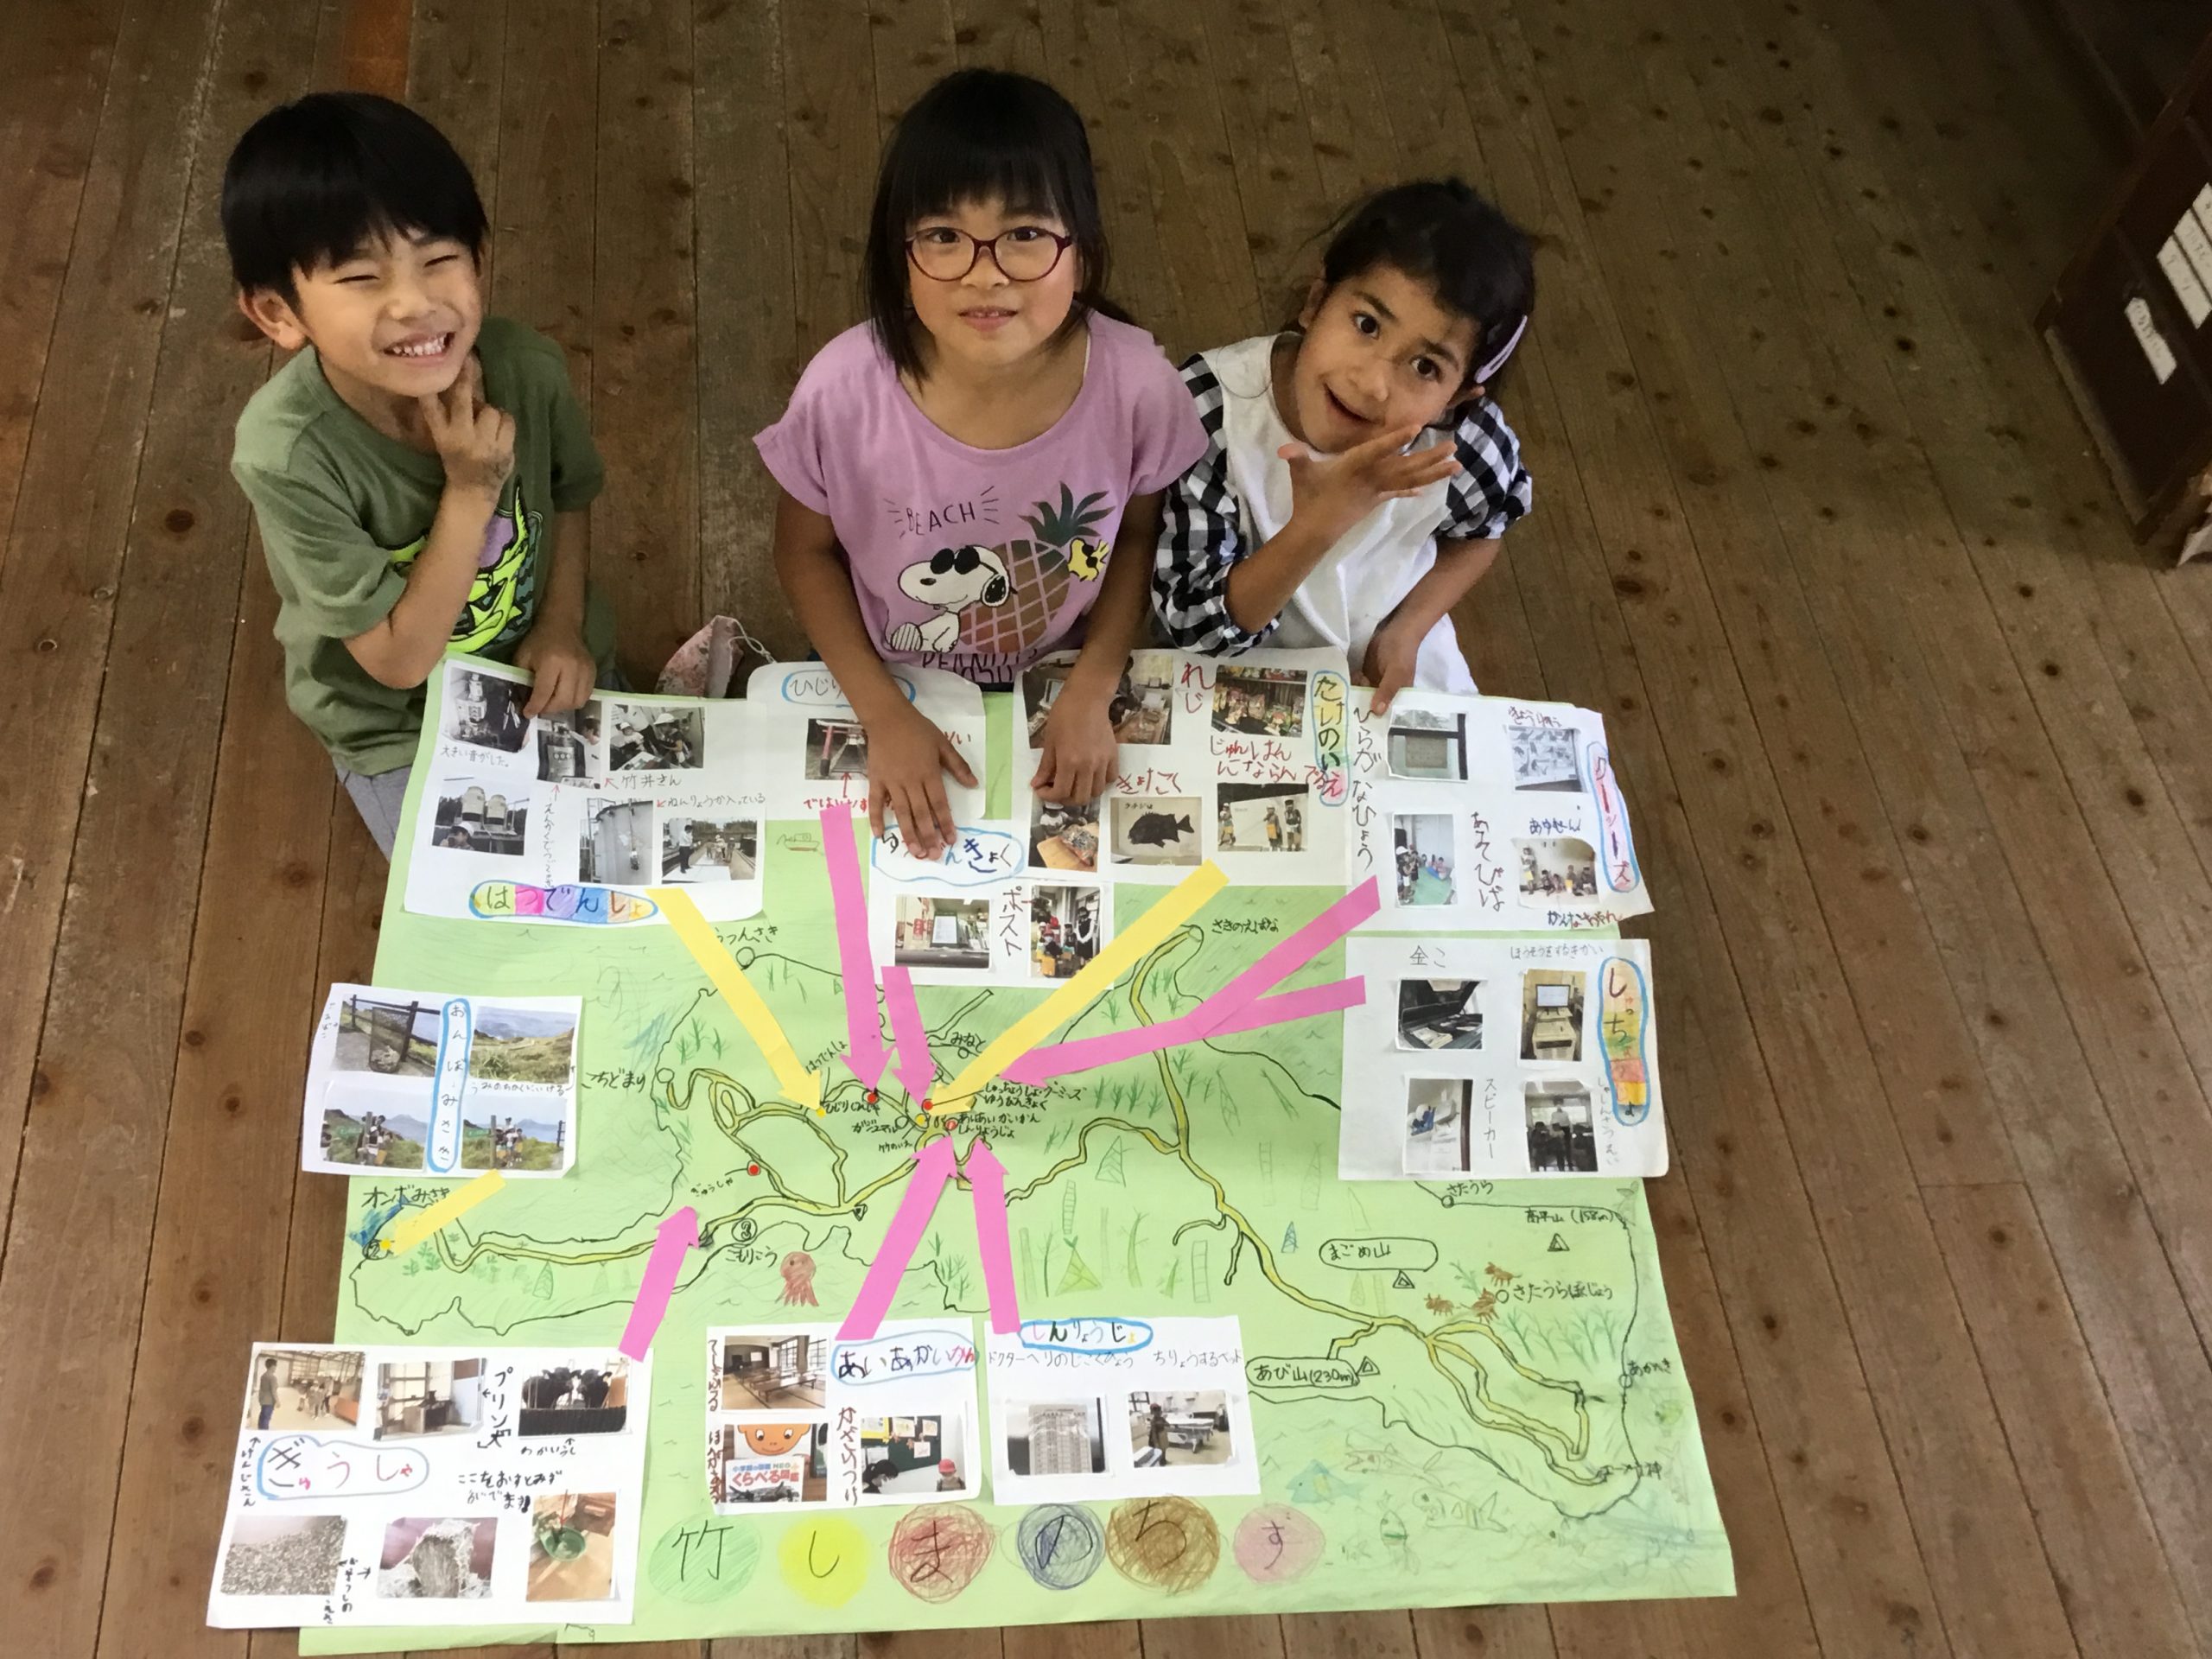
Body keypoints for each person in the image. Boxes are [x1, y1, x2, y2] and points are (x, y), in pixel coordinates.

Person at [757, 69, 1207, 859]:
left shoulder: (1139, 385)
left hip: (1062, 671)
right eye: (943, 235)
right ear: (899, 250)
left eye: (1025, 234)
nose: (984, 272)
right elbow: (803, 552)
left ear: (1082, 247)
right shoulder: (841, 390)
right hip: (887, 668)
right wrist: (883, 712)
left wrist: (1093, 684)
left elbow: (1138, 536)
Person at [223, 93, 623, 859]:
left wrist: (562, 625)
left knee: (621, 853)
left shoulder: (528, 369)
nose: (415, 303)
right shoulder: (285, 454)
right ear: (278, 314)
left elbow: (571, 494)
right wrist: (472, 488)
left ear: (479, 260)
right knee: (479, 902)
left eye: (439, 260)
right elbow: (399, 664)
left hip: (542, 662)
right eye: (361, 276)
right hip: (396, 719)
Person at [1154, 180, 1535, 713]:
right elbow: (1197, 627)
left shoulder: (1462, 442)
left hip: (1386, 671)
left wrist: (1406, 631)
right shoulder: (1209, 410)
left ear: (1456, 398)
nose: (1373, 383)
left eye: (1425, 367)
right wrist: (1318, 525)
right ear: (1316, 302)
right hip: (1233, 673)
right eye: (1367, 325)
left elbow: (1486, 528)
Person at [257, 1357, 279, 1432]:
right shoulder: (272, 1377)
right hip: (269, 1401)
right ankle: (264, 1432)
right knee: (266, 1418)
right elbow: (273, 1391)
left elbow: (262, 1388)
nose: (276, 1368)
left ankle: (260, 1429)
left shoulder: (263, 1376)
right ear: (272, 1366)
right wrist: (278, 1401)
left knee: (262, 1416)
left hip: (263, 1399)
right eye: (276, 1366)